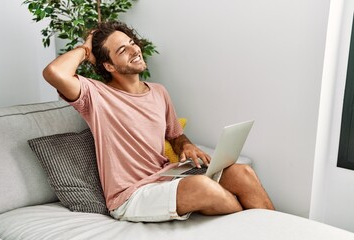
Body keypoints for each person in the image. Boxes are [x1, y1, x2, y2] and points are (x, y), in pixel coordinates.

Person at [43, 21, 274, 222]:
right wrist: (86, 48)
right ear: (109, 66)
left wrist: (186, 145)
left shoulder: (158, 92)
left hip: (166, 176)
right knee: (205, 187)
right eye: (123, 50)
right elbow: (55, 72)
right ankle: (252, 223)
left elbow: (174, 135)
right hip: (131, 195)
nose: (135, 50)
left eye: (132, 42)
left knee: (241, 172)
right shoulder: (95, 95)